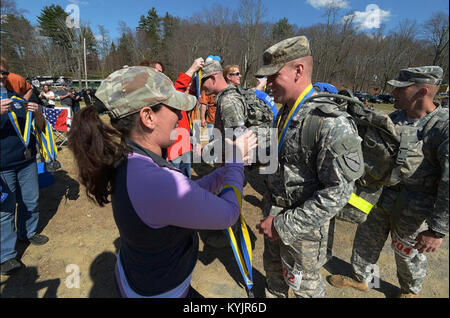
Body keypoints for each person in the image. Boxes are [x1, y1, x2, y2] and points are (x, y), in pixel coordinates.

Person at [67, 66, 256, 298]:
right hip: (163, 291)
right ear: (148, 117)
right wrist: (236, 163)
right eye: (174, 108)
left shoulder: (129, 159)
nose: (179, 116)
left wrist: (224, 171)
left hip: (142, 277)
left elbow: (185, 197)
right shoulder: (155, 180)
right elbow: (228, 214)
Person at [254, 36, 364, 298]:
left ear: (298, 71)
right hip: (274, 218)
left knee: (306, 290)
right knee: (275, 282)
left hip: (302, 233)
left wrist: (283, 226)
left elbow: (339, 192)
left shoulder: (329, 122)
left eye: (273, 76)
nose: (268, 84)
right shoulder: (285, 112)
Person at [328, 66, 449, 298]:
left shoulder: (442, 126)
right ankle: (362, 279)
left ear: (422, 91)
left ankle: (409, 291)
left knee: (408, 253)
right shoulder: (393, 119)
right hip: (379, 198)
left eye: (401, 88)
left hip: (416, 208)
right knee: (366, 242)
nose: (393, 92)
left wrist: (437, 230)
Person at [1, 60, 49, 275]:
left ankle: (27, 232)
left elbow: (39, 127)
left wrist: (38, 113)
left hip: (27, 161)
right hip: (2, 168)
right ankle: (6, 256)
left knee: (30, 199)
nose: (2, 76)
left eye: (4, 72)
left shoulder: (16, 99)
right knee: (5, 210)